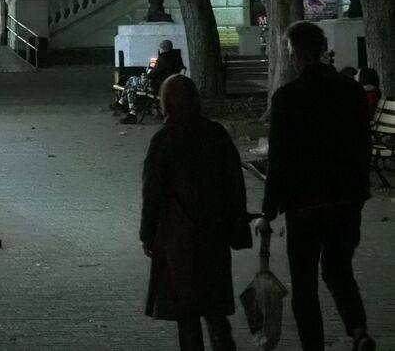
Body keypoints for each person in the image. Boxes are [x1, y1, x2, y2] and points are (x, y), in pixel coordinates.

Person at [263, 20, 376, 351]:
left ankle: (313, 345)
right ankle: (358, 330)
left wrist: (269, 209)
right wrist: (359, 190)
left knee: (304, 282)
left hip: (305, 203)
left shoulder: (287, 98)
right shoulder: (351, 91)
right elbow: (362, 144)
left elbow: (279, 159)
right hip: (345, 198)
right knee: (339, 269)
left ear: (296, 54)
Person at [139, 74, 247, 351]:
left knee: (186, 315)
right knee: (215, 311)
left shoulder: (164, 140)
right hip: (214, 235)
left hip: (178, 239)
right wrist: (237, 224)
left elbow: (152, 193)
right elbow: (235, 184)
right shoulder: (216, 135)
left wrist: (148, 233)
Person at [120, 39, 186, 124]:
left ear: (162, 49)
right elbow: (183, 69)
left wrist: (145, 75)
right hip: (171, 85)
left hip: (158, 87)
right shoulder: (177, 58)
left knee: (131, 83)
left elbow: (152, 75)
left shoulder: (162, 59)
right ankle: (121, 102)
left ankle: (131, 113)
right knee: (132, 82)